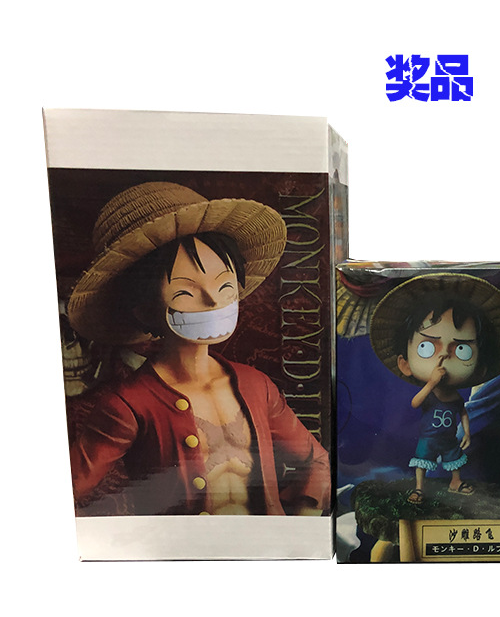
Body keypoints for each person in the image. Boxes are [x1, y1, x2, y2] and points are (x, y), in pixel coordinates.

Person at [67, 181, 330, 516]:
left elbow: (316, 460)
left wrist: (302, 520)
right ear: (143, 309)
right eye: (185, 293)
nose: (212, 300)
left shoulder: (256, 385)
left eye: (224, 285)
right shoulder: (129, 404)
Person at [369, 274, 500, 504]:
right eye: (427, 347)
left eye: (461, 350)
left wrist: (466, 432)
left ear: (480, 371)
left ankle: (455, 482)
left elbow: (462, 412)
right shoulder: (430, 393)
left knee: (454, 460)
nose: (444, 356)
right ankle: (419, 487)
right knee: (422, 462)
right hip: (428, 438)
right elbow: (415, 403)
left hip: (449, 439)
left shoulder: (457, 398)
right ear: (405, 364)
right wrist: (431, 383)